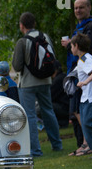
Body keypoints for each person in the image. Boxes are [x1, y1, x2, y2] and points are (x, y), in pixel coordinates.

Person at [12, 12, 62, 157]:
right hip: (45, 81)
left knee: (30, 116)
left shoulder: (22, 41)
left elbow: (17, 65)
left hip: (27, 83)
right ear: (34, 23)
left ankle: (35, 150)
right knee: (48, 111)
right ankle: (57, 144)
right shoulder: (45, 37)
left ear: (22, 26)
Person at [61, 0, 92, 156]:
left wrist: (71, 45)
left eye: (81, 7)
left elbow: (89, 50)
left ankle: (90, 142)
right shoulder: (82, 26)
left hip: (82, 73)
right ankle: (86, 143)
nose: (78, 10)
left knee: (80, 110)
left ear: (89, 8)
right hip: (76, 71)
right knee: (76, 110)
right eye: (75, 8)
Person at [50, 61, 69, 128]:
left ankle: (58, 123)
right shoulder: (64, 76)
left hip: (64, 107)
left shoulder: (58, 80)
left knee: (43, 107)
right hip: (68, 106)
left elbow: (50, 96)